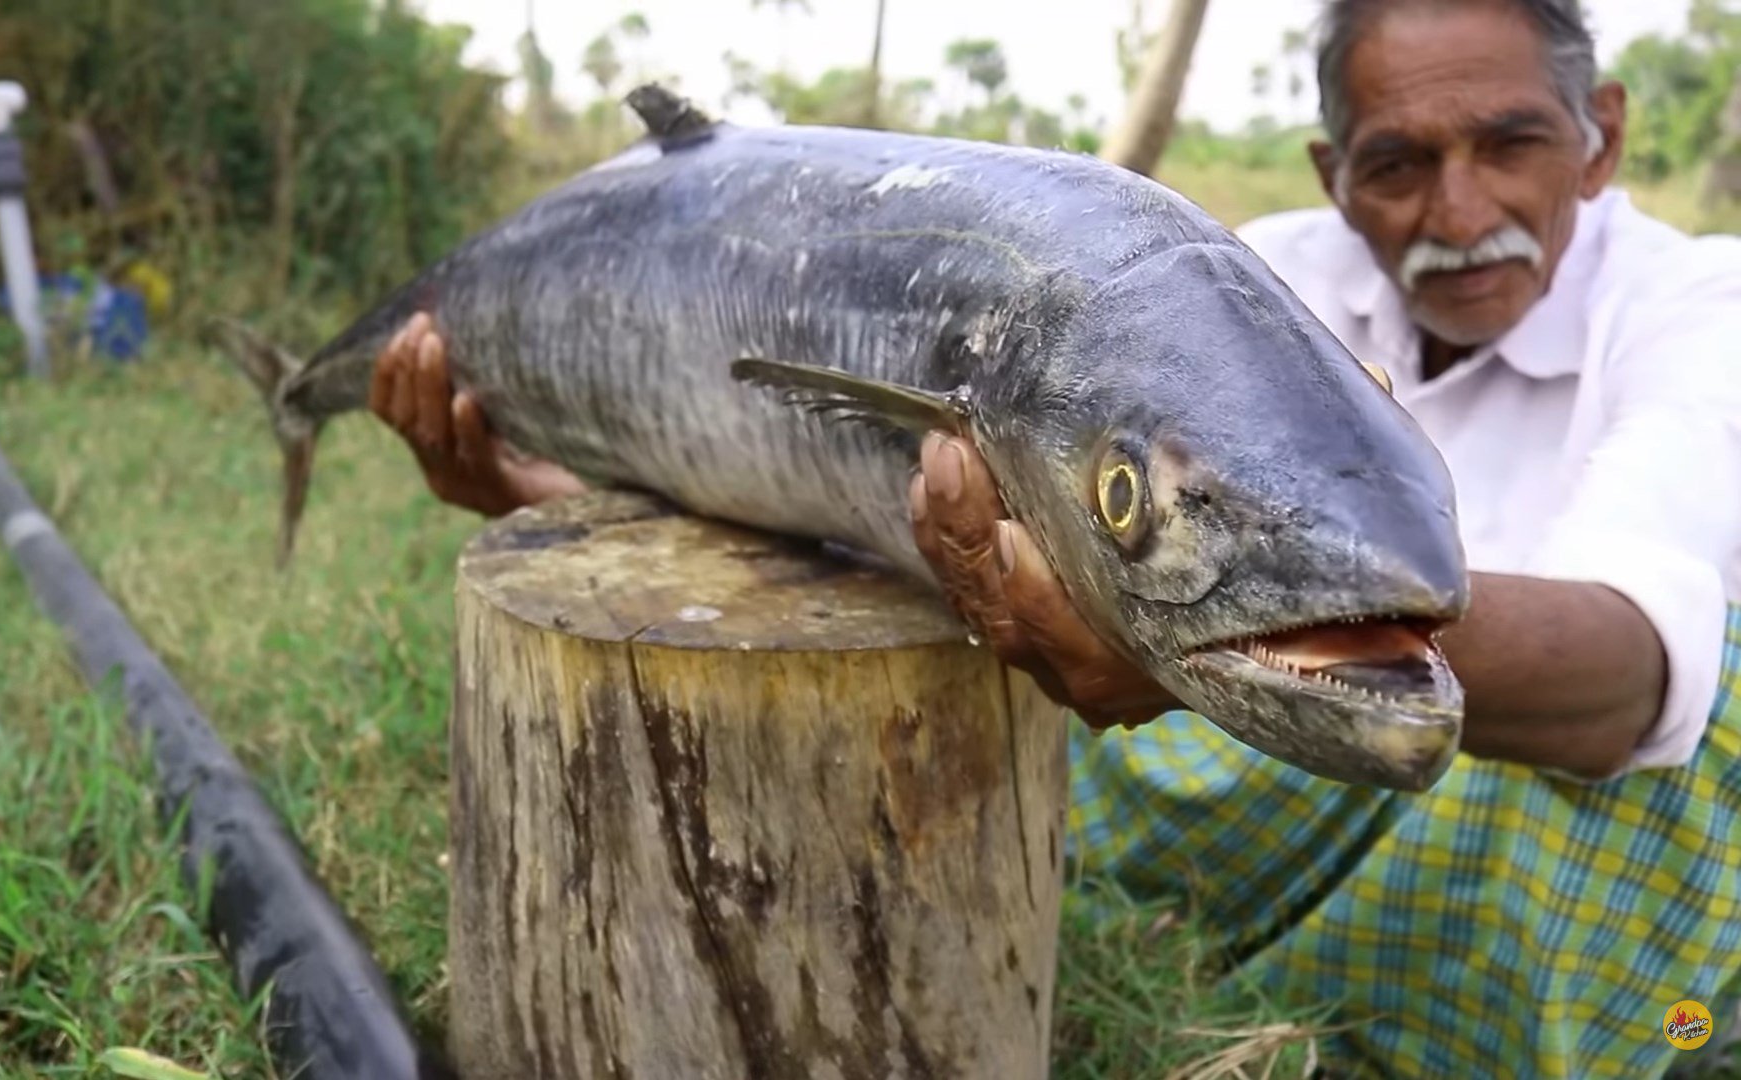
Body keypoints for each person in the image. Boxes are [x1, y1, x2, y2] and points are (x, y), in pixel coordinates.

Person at [367, 0, 1741, 1073]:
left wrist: (1158, 595)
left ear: (1604, 136)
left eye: (1508, 143)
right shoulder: (1260, 284)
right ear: (1334, 170)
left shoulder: (1700, 313)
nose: (1455, 211)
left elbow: (1642, 663)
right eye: (1396, 165)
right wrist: (537, 492)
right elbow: (823, 486)